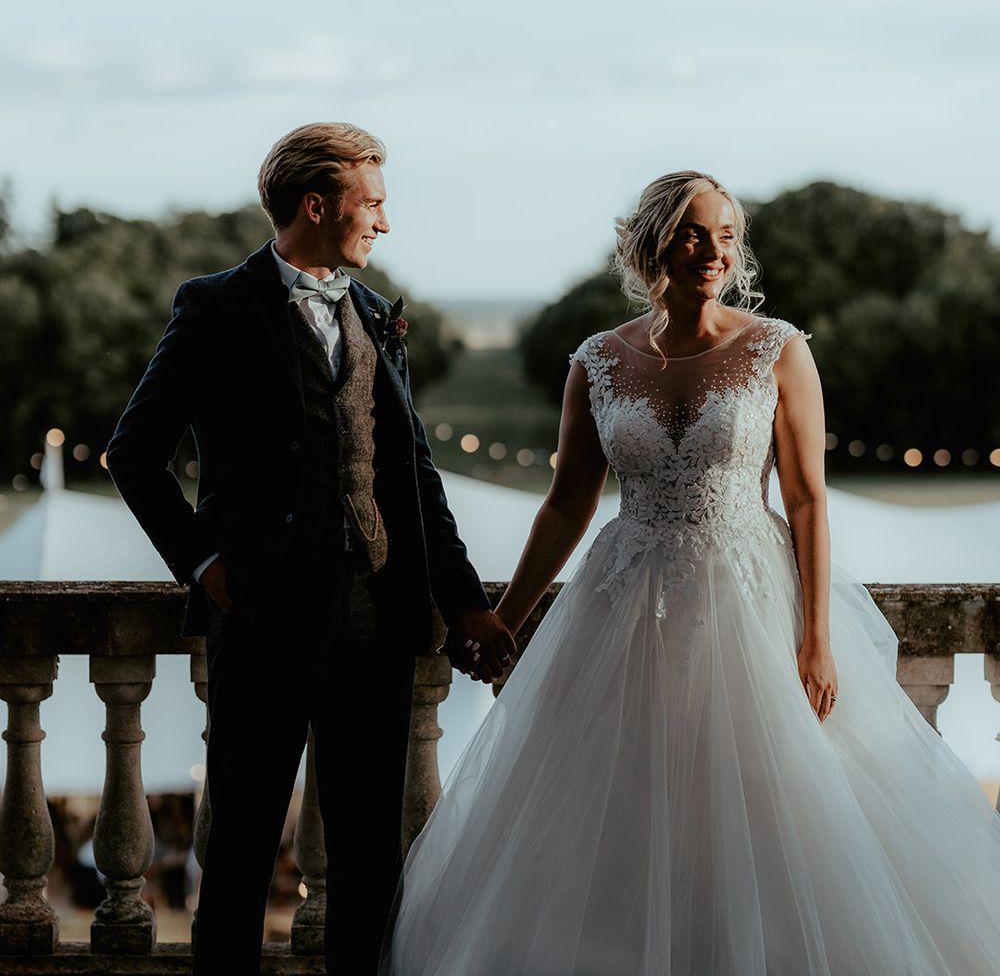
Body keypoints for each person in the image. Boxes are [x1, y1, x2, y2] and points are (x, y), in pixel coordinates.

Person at [382, 171, 1000, 974]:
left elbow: (809, 501)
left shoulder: (778, 349)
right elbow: (567, 506)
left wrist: (815, 637)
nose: (714, 251)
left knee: (766, 802)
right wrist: (507, 613)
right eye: (694, 233)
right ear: (654, 245)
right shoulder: (597, 360)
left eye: (726, 236)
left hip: (749, 601)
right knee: (627, 806)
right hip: (624, 605)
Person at [105, 122, 515, 975]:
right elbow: (133, 454)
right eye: (373, 204)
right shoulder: (215, 306)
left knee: (370, 857)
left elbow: (412, 477)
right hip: (259, 621)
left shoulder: (375, 313)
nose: (385, 224)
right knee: (243, 849)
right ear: (317, 204)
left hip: (379, 621)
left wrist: (464, 597)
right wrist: (205, 565)